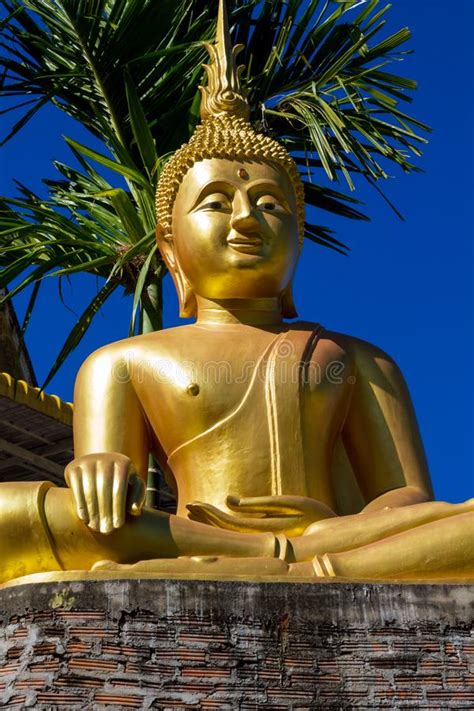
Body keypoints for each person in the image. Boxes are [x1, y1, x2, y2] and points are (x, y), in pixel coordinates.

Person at [1, 0, 472, 587]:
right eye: (217, 202)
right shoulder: (121, 364)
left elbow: (406, 500)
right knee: (9, 515)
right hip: (193, 534)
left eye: (270, 205)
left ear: (298, 242)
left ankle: (302, 563)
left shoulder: (359, 360)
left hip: (337, 536)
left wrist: (332, 530)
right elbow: (105, 497)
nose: (246, 219)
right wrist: (100, 469)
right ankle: (284, 561)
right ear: (170, 249)